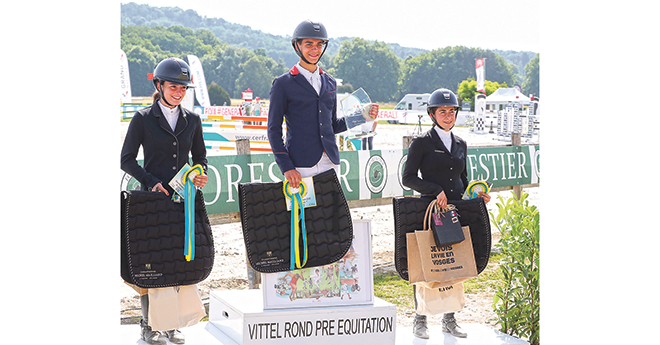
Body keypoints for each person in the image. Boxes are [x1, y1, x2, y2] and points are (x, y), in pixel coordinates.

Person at [120, 57, 208, 345]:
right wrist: (150, 181)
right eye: (173, 87)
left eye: (183, 88)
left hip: (183, 202)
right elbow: (126, 160)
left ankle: (173, 325)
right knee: (152, 263)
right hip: (152, 202)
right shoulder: (143, 118)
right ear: (159, 85)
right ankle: (149, 325)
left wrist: (201, 174)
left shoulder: (192, 120)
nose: (179, 92)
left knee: (179, 262)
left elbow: (200, 158)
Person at [402, 88, 490, 339]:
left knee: (454, 263)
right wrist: (435, 189)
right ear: (432, 114)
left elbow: (463, 179)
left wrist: (476, 196)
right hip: (430, 211)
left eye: (452, 111)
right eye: (443, 111)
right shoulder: (421, 143)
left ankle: (449, 319)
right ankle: (420, 319)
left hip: (454, 211)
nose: (448, 116)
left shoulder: (461, 143)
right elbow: (408, 178)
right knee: (426, 264)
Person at [267, 20, 379, 187]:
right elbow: (273, 130)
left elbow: (332, 125)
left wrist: (361, 116)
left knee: (332, 213)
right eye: (309, 44)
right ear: (297, 46)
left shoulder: (330, 82)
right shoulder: (283, 84)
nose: (315, 49)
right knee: (305, 213)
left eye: (319, 44)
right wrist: (286, 167)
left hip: (331, 162)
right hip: (300, 165)